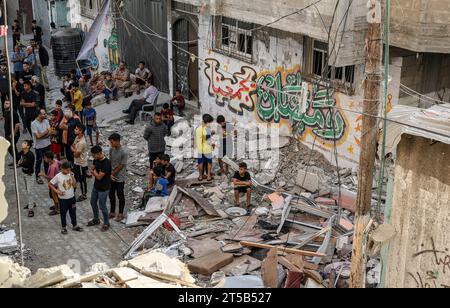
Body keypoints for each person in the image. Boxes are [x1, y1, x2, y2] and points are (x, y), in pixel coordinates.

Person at [49, 162, 83, 234]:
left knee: (73, 212)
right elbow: (50, 184)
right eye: (67, 170)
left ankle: (75, 225)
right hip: (63, 199)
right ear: (62, 169)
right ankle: (64, 227)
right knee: (63, 213)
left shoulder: (70, 174)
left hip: (71, 197)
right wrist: (57, 191)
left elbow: (74, 185)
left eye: (69, 170)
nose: (68, 171)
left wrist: (73, 177)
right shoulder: (58, 176)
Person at [88, 145, 112, 232]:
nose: (93, 157)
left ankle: (106, 223)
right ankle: (96, 219)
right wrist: (92, 169)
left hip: (104, 188)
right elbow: (93, 167)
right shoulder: (96, 159)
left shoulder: (106, 163)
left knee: (102, 206)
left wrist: (93, 172)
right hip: (96, 186)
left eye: (94, 155)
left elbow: (99, 177)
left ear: (99, 153)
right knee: (93, 202)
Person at [108, 133, 128, 222]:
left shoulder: (124, 152)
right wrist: (110, 173)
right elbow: (110, 161)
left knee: (120, 195)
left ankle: (120, 213)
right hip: (112, 176)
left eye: (112, 142)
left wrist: (113, 173)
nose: (111, 144)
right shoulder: (111, 150)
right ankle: (112, 212)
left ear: (117, 141)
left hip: (120, 177)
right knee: (111, 194)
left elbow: (122, 165)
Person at [31, 109, 52, 184]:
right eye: (43, 114)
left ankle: (47, 174)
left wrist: (43, 135)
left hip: (47, 144)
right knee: (39, 161)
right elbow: (38, 136)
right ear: (39, 115)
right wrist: (46, 132)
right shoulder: (34, 124)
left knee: (47, 160)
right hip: (39, 146)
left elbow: (50, 131)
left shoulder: (46, 121)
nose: (45, 115)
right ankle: (37, 176)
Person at [17, 140, 36, 217]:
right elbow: (17, 156)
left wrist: (20, 163)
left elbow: (27, 163)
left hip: (29, 175)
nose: (22, 144)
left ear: (28, 146)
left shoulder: (30, 155)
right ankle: (32, 203)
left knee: (29, 192)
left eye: (24, 143)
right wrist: (19, 161)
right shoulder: (22, 152)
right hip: (24, 174)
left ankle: (31, 209)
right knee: (27, 190)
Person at [71, 123, 88, 202]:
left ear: (81, 131)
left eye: (76, 129)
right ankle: (72, 191)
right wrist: (74, 150)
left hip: (81, 163)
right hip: (76, 162)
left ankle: (84, 194)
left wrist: (74, 150)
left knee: (82, 179)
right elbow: (72, 146)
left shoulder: (82, 142)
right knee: (74, 177)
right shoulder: (77, 137)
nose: (75, 130)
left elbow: (76, 154)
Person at [40, 151, 61, 216]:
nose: (44, 159)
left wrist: (43, 175)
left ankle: (57, 209)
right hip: (57, 183)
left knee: (55, 197)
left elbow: (50, 178)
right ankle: (56, 206)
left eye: (45, 158)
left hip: (54, 185)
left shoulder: (52, 167)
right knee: (56, 197)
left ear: (49, 158)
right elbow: (60, 164)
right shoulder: (55, 161)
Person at [196, 114, 214, 181]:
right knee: (209, 162)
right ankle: (208, 176)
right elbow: (206, 138)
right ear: (208, 122)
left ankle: (200, 176)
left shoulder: (198, 128)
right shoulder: (207, 129)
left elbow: (200, 138)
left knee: (200, 162)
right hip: (207, 148)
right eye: (210, 122)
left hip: (200, 148)